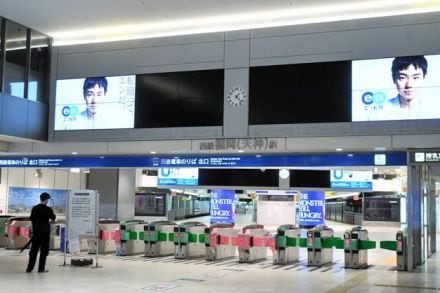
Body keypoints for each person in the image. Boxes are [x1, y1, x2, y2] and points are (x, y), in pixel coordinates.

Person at [26, 192, 56, 273]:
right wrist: (53, 210)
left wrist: (32, 231)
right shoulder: (48, 209)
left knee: (33, 251)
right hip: (45, 233)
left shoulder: (35, 208)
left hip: (36, 232)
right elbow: (53, 218)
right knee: (44, 251)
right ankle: (41, 268)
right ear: (46, 199)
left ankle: (29, 268)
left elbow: (31, 219)